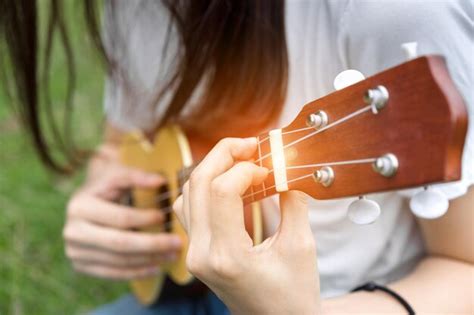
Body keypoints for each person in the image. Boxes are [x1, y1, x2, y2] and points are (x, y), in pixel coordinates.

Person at [1, 0, 472, 314]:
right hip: (183, 294)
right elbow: (117, 146)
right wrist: (103, 214)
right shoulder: (136, 7)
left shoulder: (392, 14)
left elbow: (466, 272)